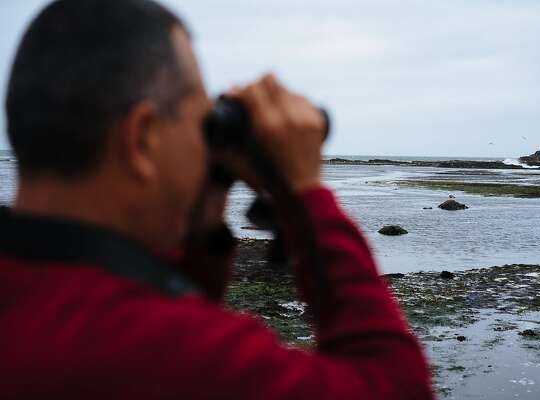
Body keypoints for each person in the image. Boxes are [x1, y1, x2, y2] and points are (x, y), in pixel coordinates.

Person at [0, 0, 434, 398]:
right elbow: (397, 386)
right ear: (143, 138)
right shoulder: (166, 352)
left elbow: (157, 297)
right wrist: (305, 195)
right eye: (201, 124)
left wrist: (204, 219)